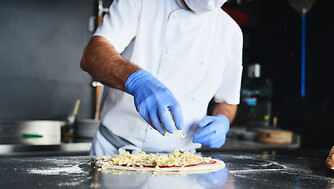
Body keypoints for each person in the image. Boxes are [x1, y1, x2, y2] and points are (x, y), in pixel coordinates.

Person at [80, 0, 243, 155]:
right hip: (116, 150)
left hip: (183, 162)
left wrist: (222, 120)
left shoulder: (231, 33)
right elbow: (93, 55)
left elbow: (227, 102)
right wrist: (137, 80)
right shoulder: (143, 3)